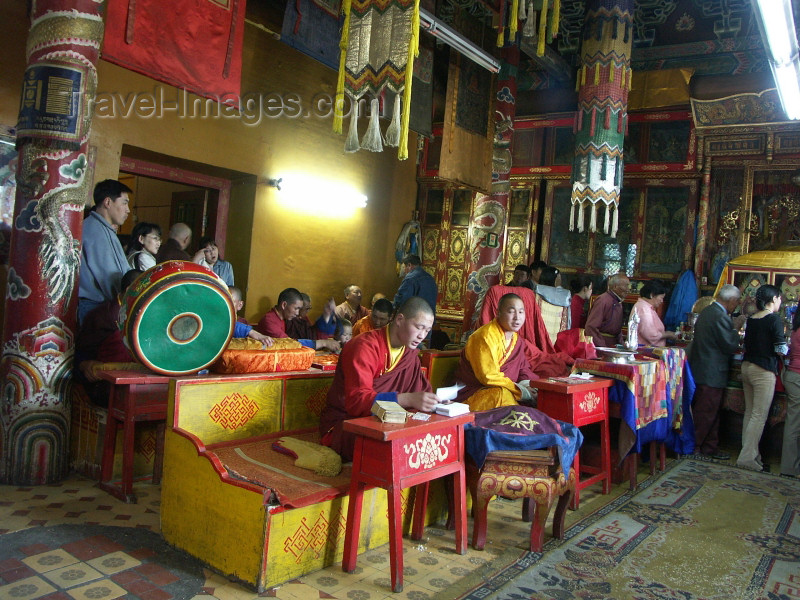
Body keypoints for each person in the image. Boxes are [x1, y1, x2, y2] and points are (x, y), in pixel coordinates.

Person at [319, 297, 439, 461]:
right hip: (347, 424)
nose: (422, 336)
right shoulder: (364, 347)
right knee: (397, 448)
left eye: (427, 330)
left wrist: (434, 403)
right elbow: (357, 401)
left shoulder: (410, 354)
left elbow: (421, 391)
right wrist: (407, 399)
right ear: (399, 319)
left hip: (389, 421)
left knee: (431, 438)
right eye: (419, 327)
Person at [687, 284, 745, 460]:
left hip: (704, 369)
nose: (736, 305)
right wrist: (736, 328)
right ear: (731, 300)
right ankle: (694, 448)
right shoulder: (719, 316)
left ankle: (709, 447)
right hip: (711, 372)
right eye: (737, 302)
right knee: (705, 412)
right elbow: (729, 345)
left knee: (711, 411)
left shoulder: (708, 311)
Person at [454, 293, 537, 411]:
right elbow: (488, 377)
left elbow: (522, 368)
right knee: (502, 395)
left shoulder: (516, 340)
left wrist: (529, 386)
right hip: (473, 393)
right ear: (498, 313)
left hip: (507, 389)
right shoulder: (485, 336)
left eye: (521, 312)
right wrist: (520, 390)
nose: (517, 317)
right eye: (511, 311)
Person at [736, 284, 788, 471]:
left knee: (750, 413)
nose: (780, 302)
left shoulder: (752, 319)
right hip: (763, 370)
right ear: (773, 299)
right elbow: (780, 348)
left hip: (747, 367)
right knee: (759, 415)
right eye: (779, 298)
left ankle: (752, 454)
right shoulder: (773, 319)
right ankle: (747, 458)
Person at [78, 179, 132, 324]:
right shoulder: (95, 231)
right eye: (125, 203)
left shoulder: (104, 229)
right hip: (96, 309)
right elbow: (109, 278)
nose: (128, 210)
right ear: (108, 202)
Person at [256, 287, 340, 352]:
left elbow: (310, 334)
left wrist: (327, 315)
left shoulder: (285, 318)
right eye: (296, 308)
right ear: (284, 305)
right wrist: (323, 343)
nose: (297, 313)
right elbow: (289, 344)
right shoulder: (270, 320)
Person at [585, 272, 630, 347]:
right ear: (615, 286)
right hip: (602, 344)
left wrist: (622, 344)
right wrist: (602, 346)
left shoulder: (618, 302)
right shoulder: (603, 300)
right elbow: (591, 327)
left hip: (613, 345)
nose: (628, 290)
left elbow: (617, 330)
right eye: (626, 286)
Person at [781, 308, 800, 478]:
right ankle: (791, 467)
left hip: (793, 376)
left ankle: (789, 467)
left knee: (793, 423)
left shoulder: (795, 328)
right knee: (794, 425)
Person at [632, 280, 678, 347]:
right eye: (661, 298)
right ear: (652, 295)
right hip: (645, 351)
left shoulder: (647, 307)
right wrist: (668, 334)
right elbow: (650, 335)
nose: (662, 301)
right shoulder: (644, 309)